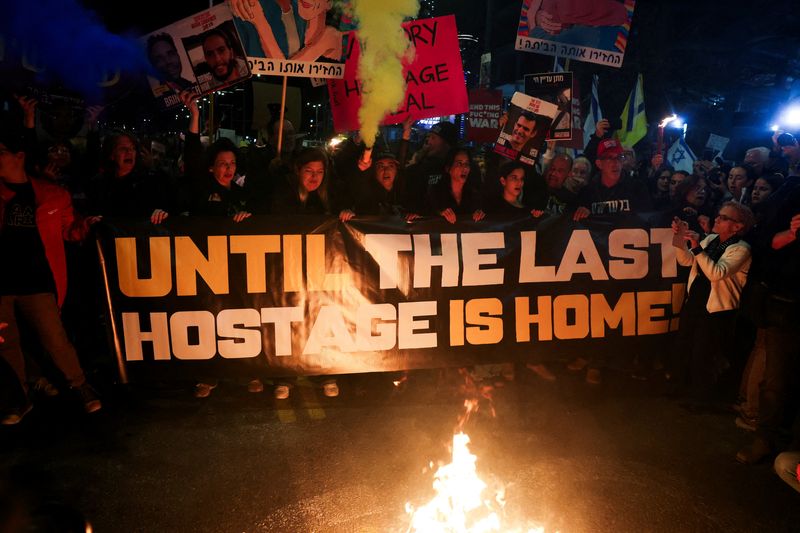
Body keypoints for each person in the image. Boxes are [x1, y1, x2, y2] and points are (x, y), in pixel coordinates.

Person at [0, 130, 103, 424]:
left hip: (37, 281)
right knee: (6, 343)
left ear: (19, 157)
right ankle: (18, 398)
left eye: (1, 151)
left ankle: (80, 385)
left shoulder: (53, 194)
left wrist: (87, 226)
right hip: (2, 283)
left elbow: (69, 231)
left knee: (55, 339)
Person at [669, 202, 754, 398]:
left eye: (724, 218)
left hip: (716, 309)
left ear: (738, 226)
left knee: (704, 352)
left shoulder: (741, 249)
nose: (717, 219)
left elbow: (717, 272)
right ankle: (680, 387)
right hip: (696, 301)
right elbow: (686, 261)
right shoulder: (712, 239)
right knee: (684, 344)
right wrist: (679, 237)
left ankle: (701, 396)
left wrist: (697, 247)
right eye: (719, 215)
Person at [424, 147, 485, 224]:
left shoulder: (474, 193)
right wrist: (440, 213)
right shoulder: (436, 192)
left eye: (467, 164)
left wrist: (479, 214)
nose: (465, 168)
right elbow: (426, 214)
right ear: (448, 168)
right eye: (459, 163)